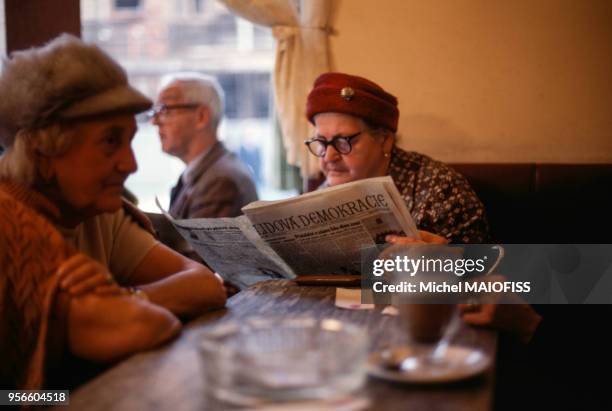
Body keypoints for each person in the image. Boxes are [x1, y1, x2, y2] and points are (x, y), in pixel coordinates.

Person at [0, 34, 226, 390]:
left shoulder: (96, 212)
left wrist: (123, 297)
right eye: (110, 141)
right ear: (43, 151)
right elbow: (145, 325)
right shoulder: (10, 226)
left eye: (130, 141)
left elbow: (205, 286)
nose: (130, 163)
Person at [304, 72, 489, 244]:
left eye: (343, 141)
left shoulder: (440, 188)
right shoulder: (319, 197)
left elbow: (488, 268)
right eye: (321, 141)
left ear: (384, 140)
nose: (328, 156)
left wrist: (443, 262)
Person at [151, 72, 258, 219]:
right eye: (155, 112)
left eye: (165, 110)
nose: (155, 121)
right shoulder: (205, 173)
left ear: (201, 117)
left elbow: (188, 243)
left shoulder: (220, 182)